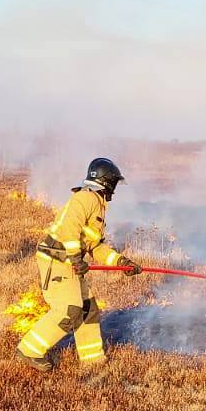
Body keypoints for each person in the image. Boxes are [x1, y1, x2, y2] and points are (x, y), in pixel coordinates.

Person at [16, 157, 142, 370]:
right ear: (106, 181)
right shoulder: (85, 198)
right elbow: (69, 229)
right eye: (114, 183)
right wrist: (75, 258)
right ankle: (30, 349)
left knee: (88, 309)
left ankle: (92, 359)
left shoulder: (97, 205)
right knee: (70, 308)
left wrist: (121, 262)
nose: (115, 188)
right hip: (57, 259)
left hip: (70, 261)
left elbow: (95, 247)